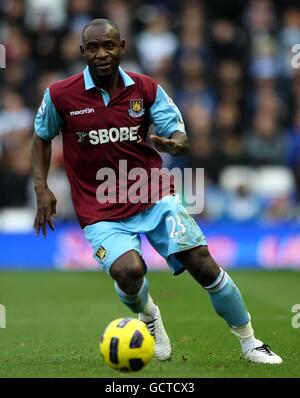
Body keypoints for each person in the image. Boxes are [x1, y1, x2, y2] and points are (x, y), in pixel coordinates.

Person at [32, 18, 282, 365]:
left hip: (153, 195)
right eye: (93, 47)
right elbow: (42, 136)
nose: (101, 54)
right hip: (99, 207)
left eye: (108, 46)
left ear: (122, 48)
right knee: (129, 272)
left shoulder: (145, 88)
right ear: (82, 52)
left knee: (202, 264)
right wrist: (42, 188)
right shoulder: (61, 94)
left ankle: (250, 342)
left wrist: (175, 146)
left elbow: (178, 134)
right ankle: (149, 316)